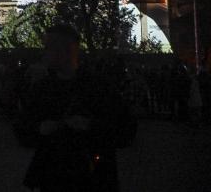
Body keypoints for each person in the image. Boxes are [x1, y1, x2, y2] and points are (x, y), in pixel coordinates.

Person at [15, 25, 136, 192]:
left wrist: (91, 126)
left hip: (92, 177)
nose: (45, 53)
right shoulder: (42, 89)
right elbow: (22, 128)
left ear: (69, 49)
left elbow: (126, 130)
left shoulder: (99, 88)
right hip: (55, 177)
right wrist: (38, 129)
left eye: (50, 47)